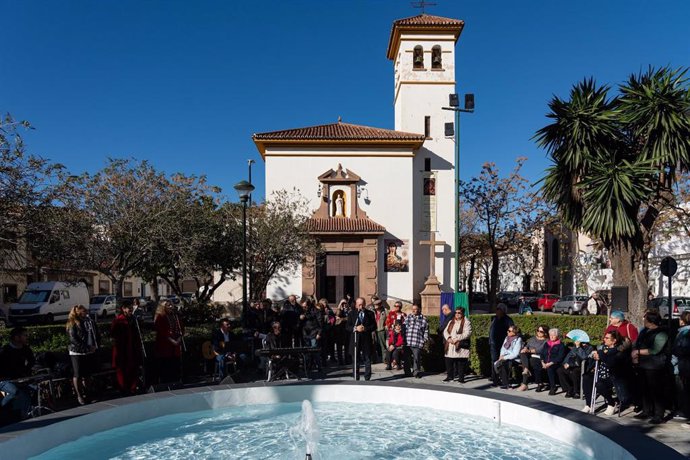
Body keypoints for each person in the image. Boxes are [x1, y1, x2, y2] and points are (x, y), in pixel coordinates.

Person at [631, 310, 670, 424]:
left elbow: (656, 349)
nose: (643, 320)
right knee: (644, 388)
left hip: (655, 365)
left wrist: (638, 352)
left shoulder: (661, 333)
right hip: (643, 364)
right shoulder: (644, 331)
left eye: (645, 318)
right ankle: (646, 410)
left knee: (656, 390)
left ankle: (659, 415)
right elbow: (637, 343)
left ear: (651, 321)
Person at [583, 330, 626, 414]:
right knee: (586, 377)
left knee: (599, 384)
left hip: (613, 375)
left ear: (614, 341)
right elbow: (594, 355)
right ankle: (589, 404)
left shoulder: (618, 350)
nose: (604, 339)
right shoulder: (603, 348)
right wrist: (594, 355)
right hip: (601, 371)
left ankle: (612, 403)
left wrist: (600, 354)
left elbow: (610, 362)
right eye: (605, 337)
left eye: (607, 338)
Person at [66, 304, 100, 405]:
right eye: (84, 311)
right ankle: (79, 395)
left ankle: (88, 395)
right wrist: (85, 347)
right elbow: (73, 339)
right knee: (78, 374)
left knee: (87, 374)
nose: (86, 312)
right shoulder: (72, 323)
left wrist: (94, 345)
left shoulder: (88, 321)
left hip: (87, 351)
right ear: (78, 312)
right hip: (77, 351)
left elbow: (94, 333)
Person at [0, 327, 35, 420]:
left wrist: (26, 373)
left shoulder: (26, 349)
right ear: (16, 337)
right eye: (24, 335)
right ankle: (3, 409)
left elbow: (32, 362)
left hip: (20, 378)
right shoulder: (5, 350)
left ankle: (24, 414)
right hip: (5, 380)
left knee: (34, 390)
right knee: (16, 392)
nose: (26, 337)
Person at [111, 300, 144, 395]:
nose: (130, 309)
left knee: (134, 368)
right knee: (122, 370)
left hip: (133, 348)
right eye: (128, 308)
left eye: (131, 307)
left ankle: (133, 387)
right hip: (122, 350)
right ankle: (124, 388)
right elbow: (114, 335)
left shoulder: (134, 319)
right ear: (123, 309)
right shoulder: (118, 320)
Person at [154, 301, 184, 384]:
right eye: (168, 305)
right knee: (165, 367)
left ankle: (176, 382)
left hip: (175, 347)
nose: (171, 306)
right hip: (165, 347)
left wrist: (179, 338)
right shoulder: (160, 317)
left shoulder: (175, 316)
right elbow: (161, 331)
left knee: (175, 367)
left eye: (171, 305)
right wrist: (172, 341)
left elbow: (181, 328)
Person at [347, 297, 376, 381]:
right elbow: (347, 326)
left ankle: (367, 377)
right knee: (355, 359)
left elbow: (374, 326)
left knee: (367, 359)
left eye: (362, 304)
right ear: (356, 305)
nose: (361, 306)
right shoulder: (351, 314)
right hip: (355, 339)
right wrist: (355, 328)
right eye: (359, 304)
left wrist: (365, 328)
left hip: (366, 340)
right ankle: (356, 377)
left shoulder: (370, 313)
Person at [443, 308, 472, 383]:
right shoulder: (451, 321)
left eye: (459, 313)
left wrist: (456, 338)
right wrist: (448, 338)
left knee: (460, 362)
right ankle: (450, 377)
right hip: (450, 344)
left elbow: (467, 333)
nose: (457, 314)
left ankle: (461, 378)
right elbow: (445, 331)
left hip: (460, 345)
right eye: (456, 313)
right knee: (449, 361)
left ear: (462, 313)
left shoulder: (466, 322)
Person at [517, 325, 549, 391]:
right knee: (522, 353)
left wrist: (529, 351)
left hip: (539, 357)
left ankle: (525, 383)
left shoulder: (546, 341)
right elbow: (527, 345)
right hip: (528, 355)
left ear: (545, 332)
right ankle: (526, 370)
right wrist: (525, 348)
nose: (539, 332)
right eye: (538, 330)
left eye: (541, 331)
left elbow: (540, 350)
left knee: (531, 361)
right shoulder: (533, 338)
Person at [488, 304, 514, 386]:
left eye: (498, 309)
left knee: (503, 361)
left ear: (503, 310)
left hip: (503, 344)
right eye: (496, 309)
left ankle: (503, 378)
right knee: (494, 360)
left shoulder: (508, 320)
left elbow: (512, 332)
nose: (497, 311)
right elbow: (491, 330)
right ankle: (494, 378)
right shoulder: (494, 318)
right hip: (493, 343)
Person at [672, 311, 690, 424]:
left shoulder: (683, 333)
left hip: (683, 365)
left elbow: (678, 350)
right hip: (685, 364)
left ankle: (685, 411)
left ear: (683, 321)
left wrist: (674, 362)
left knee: (683, 389)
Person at [404, 304, 429, 378]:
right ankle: (407, 372)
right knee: (407, 358)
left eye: (416, 309)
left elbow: (426, 331)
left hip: (417, 341)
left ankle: (416, 372)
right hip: (408, 341)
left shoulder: (423, 319)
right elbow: (404, 328)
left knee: (416, 358)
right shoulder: (408, 317)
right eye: (413, 309)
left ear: (419, 309)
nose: (414, 310)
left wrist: (424, 340)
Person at [540, 328, 566, 395]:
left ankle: (553, 387)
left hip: (555, 363)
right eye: (550, 335)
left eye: (553, 335)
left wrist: (550, 363)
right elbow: (542, 353)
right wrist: (542, 362)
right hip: (545, 362)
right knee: (536, 364)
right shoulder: (547, 343)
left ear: (557, 336)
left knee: (550, 368)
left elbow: (560, 357)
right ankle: (540, 384)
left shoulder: (561, 345)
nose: (551, 336)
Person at [334, 298, 350, 365]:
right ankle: (340, 361)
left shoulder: (349, 310)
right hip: (339, 331)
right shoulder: (339, 310)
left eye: (345, 303)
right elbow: (337, 316)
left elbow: (349, 318)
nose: (344, 305)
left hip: (346, 331)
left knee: (347, 347)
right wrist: (339, 306)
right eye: (342, 303)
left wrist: (341, 319)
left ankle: (347, 360)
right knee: (339, 347)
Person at [374, 300, 388, 365]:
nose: (376, 306)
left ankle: (384, 359)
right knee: (374, 345)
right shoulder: (373, 312)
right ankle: (375, 359)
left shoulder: (385, 311)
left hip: (382, 330)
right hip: (374, 330)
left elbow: (388, 320)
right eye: (375, 305)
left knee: (383, 345)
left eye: (377, 305)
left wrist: (386, 326)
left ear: (380, 305)